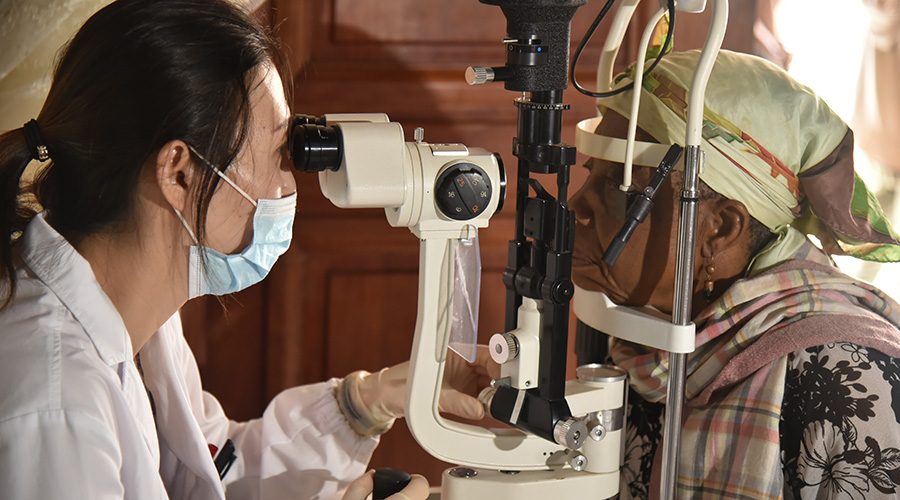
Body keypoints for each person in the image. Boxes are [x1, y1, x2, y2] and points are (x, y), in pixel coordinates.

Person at [0, 1, 495, 498]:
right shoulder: (56, 404)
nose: (291, 182)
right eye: (281, 151)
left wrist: (366, 402)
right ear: (180, 172)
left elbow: (211, 470)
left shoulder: (129, 316)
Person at [570, 49, 900, 499]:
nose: (576, 207)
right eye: (593, 176)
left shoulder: (850, 382)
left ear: (719, 230)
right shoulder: (634, 341)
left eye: (620, 185)